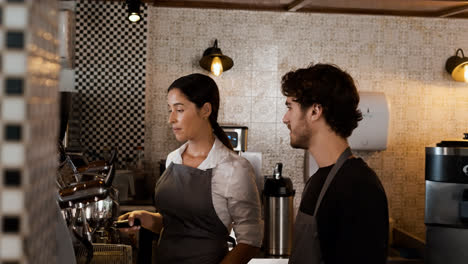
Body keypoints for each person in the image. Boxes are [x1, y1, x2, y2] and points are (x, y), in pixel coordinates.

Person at [118, 73, 263, 264]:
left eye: (179, 109)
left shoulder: (233, 168)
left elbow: (250, 241)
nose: (171, 119)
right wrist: (146, 218)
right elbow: (176, 224)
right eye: (169, 110)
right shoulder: (173, 159)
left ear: (205, 110)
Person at [281, 64, 389, 264]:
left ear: (315, 111)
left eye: (290, 107)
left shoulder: (359, 187)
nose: (285, 118)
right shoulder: (317, 181)